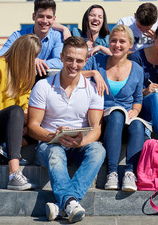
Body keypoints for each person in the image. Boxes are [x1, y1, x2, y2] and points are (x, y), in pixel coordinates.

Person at [27, 36, 105, 223]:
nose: (74, 64)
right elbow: (32, 127)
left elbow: (96, 129)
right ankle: (71, 202)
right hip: (49, 144)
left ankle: (65, 204)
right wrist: (54, 135)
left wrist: (81, 141)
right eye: (69, 59)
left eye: (79, 61)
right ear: (61, 57)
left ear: (86, 62)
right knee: (54, 151)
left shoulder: (93, 89)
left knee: (98, 150)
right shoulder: (43, 86)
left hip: (79, 144)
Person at [0, 34, 41, 190]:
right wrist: (15, 117)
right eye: (32, 56)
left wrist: (26, 119)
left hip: (11, 126)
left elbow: (25, 103)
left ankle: (4, 147)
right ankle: (14, 174)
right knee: (15, 112)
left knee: (40, 124)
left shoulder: (26, 73)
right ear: (21, 53)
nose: (33, 61)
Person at [83, 24, 144, 192]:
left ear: (130, 45)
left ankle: (130, 172)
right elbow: (74, 74)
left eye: (122, 41)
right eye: (114, 41)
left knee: (138, 124)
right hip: (103, 116)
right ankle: (112, 172)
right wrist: (94, 73)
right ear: (108, 43)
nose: (117, 45)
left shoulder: (137, 69)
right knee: (116, 115)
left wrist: (136, 111)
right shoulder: (97, 61)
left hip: (126, 118)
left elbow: (138, 99)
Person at [0, 0, 68, 77]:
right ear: (34, 16)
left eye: (49, 17)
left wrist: (38, 63)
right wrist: (29, 60)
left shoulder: (58, 36)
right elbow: (0, 57)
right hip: (19, 81)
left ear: (54, 19)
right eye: (41, 16)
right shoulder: (18, 35)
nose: (45, 21)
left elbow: (60, 61)